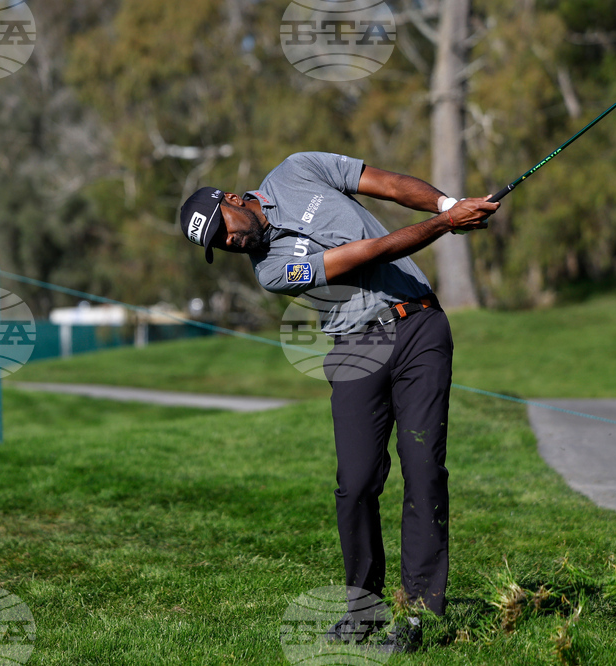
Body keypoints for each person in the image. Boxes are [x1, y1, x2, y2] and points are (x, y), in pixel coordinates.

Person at [179, 152, 498, 652]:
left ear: (233, 200)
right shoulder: (272, 270)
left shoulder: (297, 169)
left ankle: (418, 615)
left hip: (419, 326)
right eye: (219, 245)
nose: (230, 242)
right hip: (356, 347)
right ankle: (364, 610)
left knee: (423, 469)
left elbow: (387, 183)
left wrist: (447, 202)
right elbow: (367, 253)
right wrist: (443, 225)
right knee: (355, 484)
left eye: (225, 229)